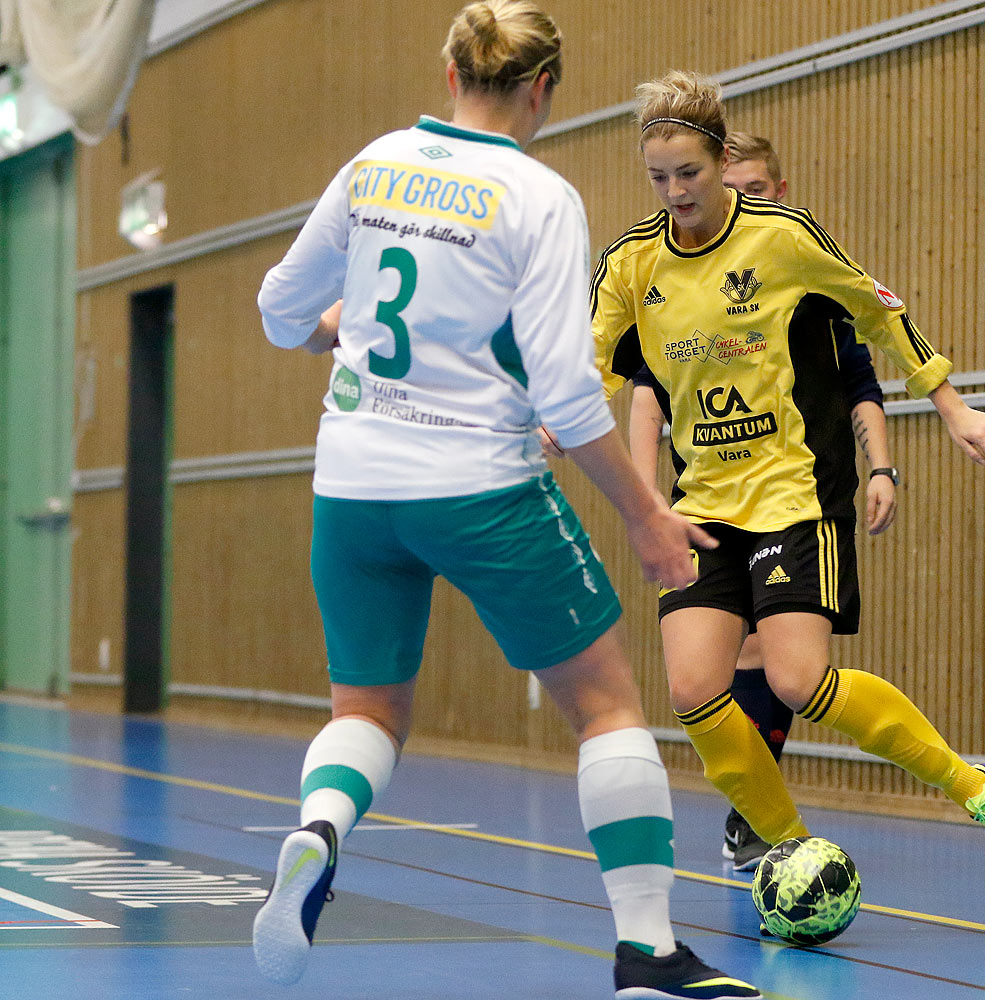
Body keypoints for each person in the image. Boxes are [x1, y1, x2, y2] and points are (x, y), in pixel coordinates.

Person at [253, 9, 759, 999]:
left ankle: (318, 827)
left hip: (353, 485)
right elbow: (568, 395)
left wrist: (331, 332)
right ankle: (648, 952)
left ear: (449, 73)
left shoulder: (373, 166)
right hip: (478, 484)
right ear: (543, 89)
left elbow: (279, 308)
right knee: (606, 703)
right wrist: (647, 515)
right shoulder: (539, 196)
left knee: (367, 708)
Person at [591, 71, 985, 880]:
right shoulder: (631, 264)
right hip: (702, 506)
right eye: (658, 178)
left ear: (718, 155)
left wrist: (952, 407)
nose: (675, 193)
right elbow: (591, 370)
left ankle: (971, 783)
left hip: (789, 496)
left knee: (798, 679)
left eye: (689, 174)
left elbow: (877, 307)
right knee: (694, 690)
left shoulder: (781, 236)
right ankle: (790, 850)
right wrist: (574, 445)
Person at [627, 131, 898, 870]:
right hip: (712, 493)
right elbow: (648, 385)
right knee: (715, 666)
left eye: (749, 188)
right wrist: (645, 495)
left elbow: (862, 385)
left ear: (775, 193)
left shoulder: (807, 281)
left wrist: (883, 470)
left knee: (786, 665)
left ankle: (761, 811)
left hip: (801, 488)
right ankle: (760, 813)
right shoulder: (675, 282)